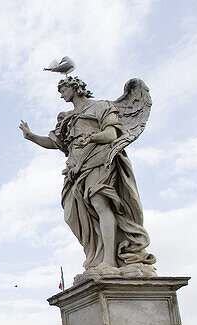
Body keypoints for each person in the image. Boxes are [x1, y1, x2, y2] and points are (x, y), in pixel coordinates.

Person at [19, 76, 154, 274]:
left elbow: (111, 135)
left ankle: (109, 260)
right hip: (76, 168)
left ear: (75, 87)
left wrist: (92, 137)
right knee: (73, 214)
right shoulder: (66, 117)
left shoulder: (100, 107)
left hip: (98, 160)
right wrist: (30, 136)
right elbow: (55, 143)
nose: (61, 94)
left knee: (101, 204)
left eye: (63, 89)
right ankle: (96, 256)